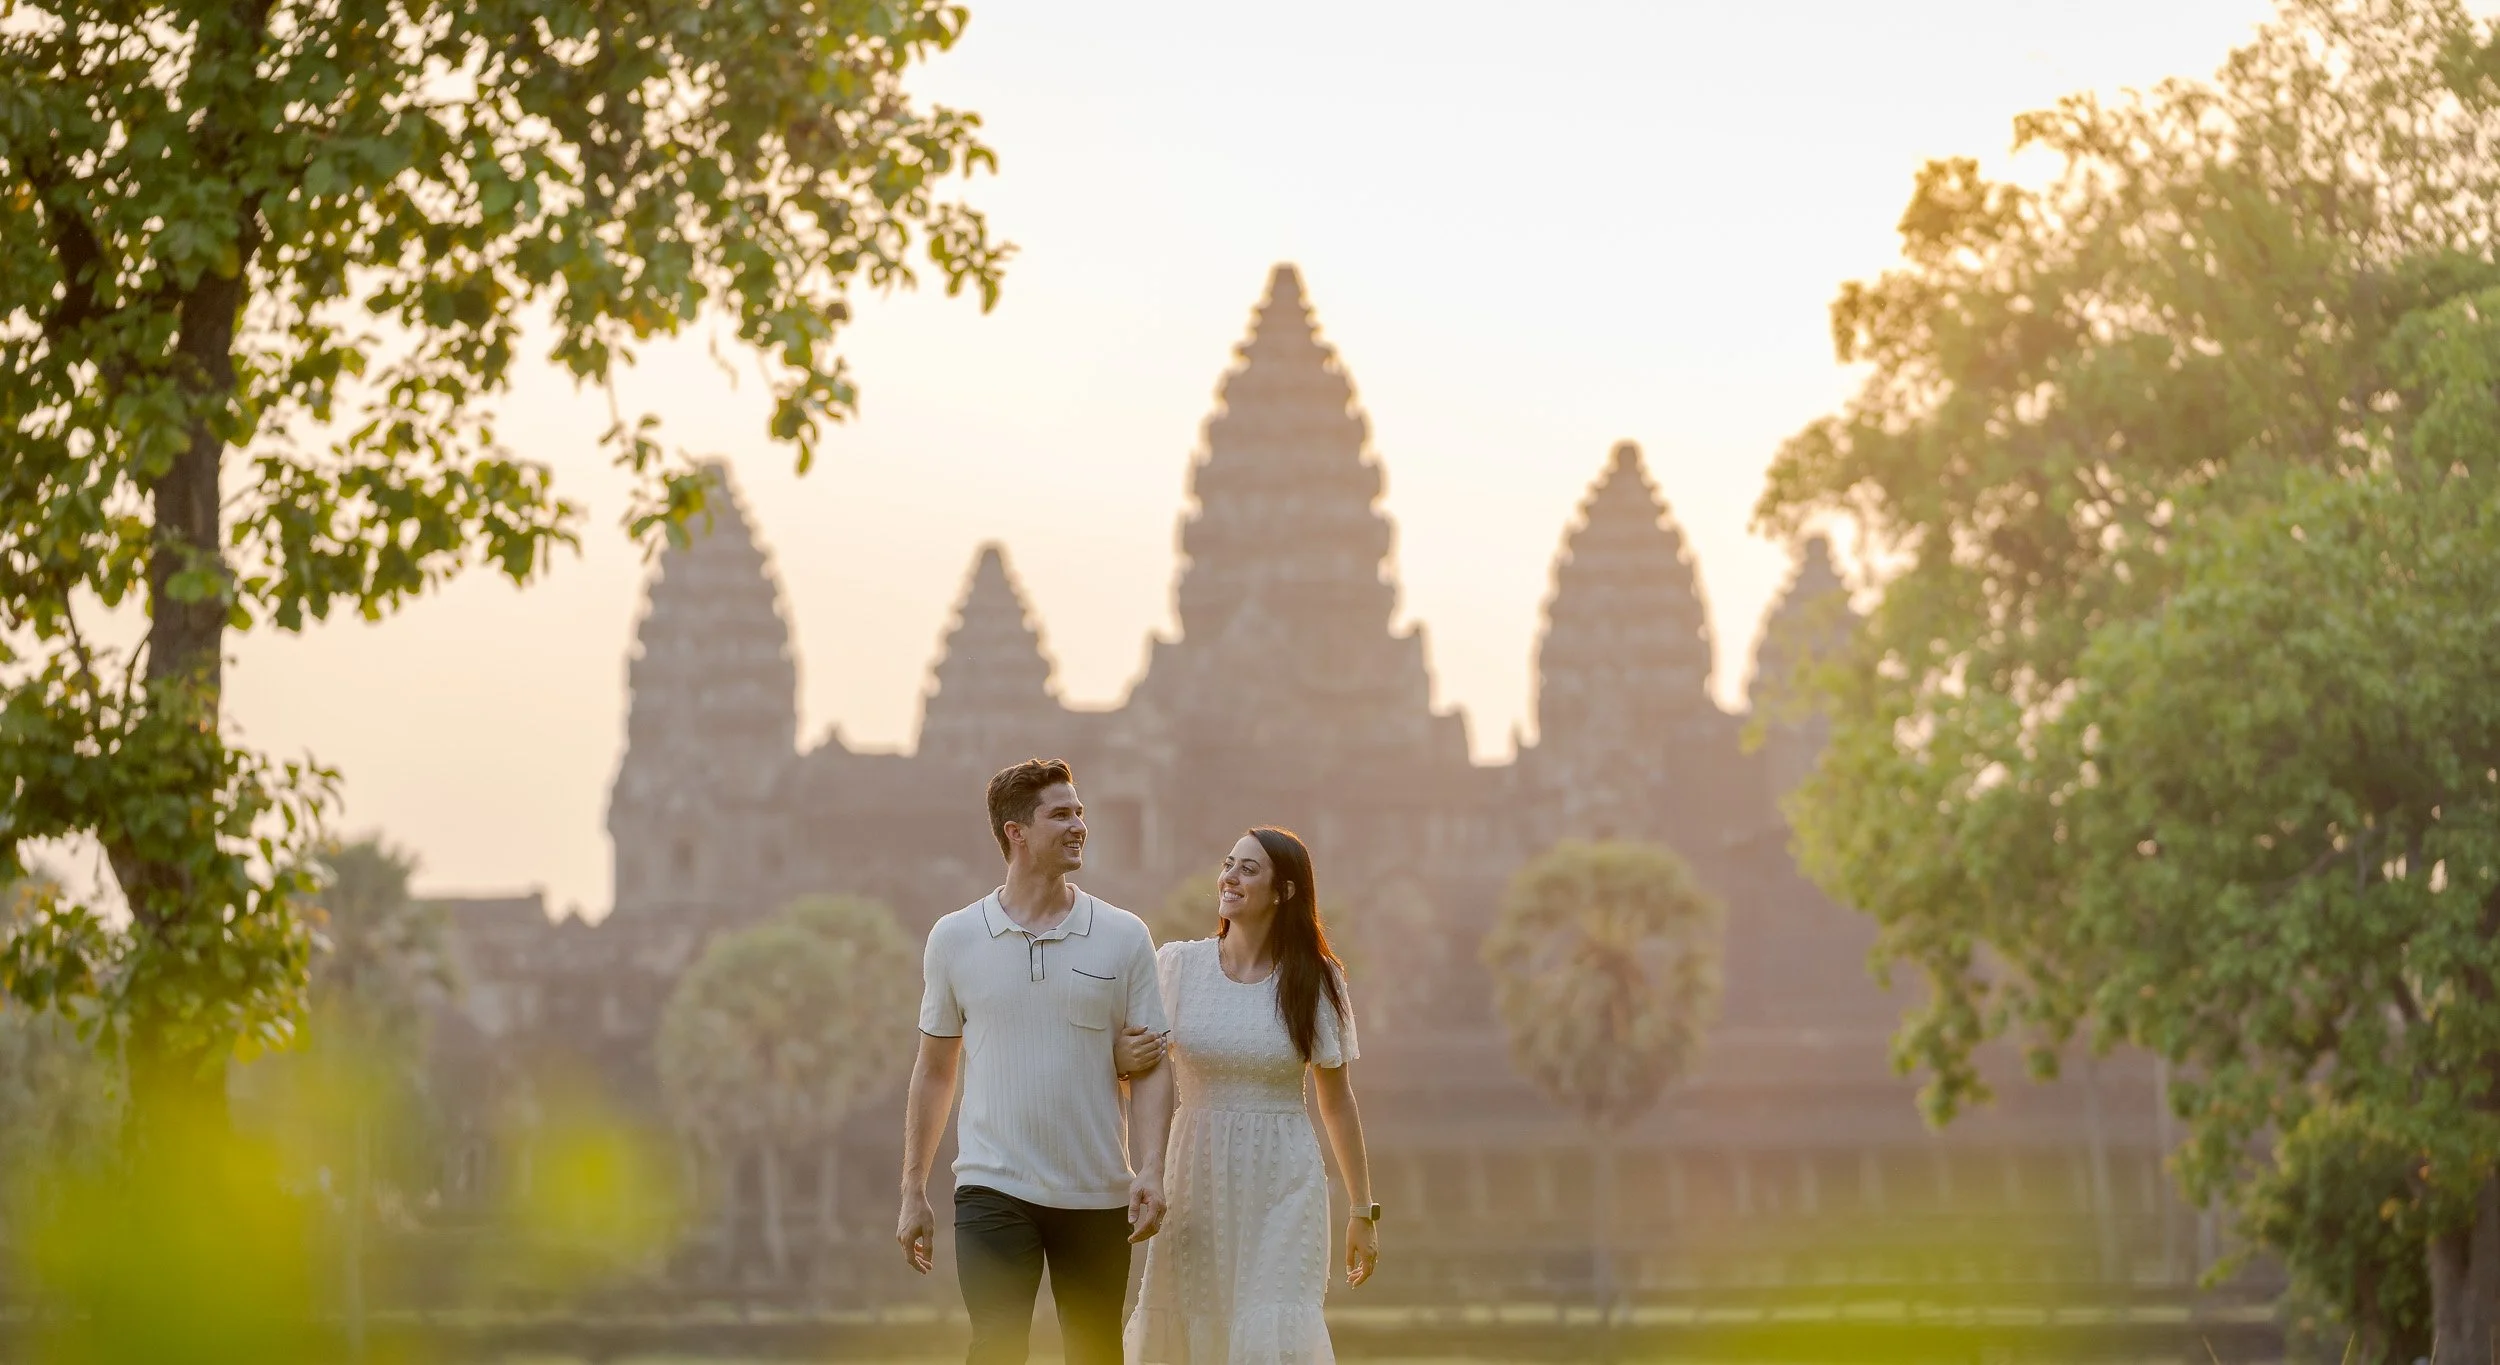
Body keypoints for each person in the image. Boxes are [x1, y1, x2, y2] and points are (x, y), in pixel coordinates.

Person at [896, 758, 1177, 1365]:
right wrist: (913, 1189)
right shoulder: (955, 937)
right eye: (1060, 815)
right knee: (996, 1347)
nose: (1078, 825)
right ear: (1015, 832)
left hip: (1098, 1189)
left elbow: (1153, 1064)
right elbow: (936, 1069)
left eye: (1079, 812)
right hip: (992, 1185)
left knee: (1095, 1352)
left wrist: (1151, 1169)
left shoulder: (1125, 935)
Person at [1118, 826, 1379, 1364]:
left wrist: (1361, 1210)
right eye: (1228, 863)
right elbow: (1141, 1075)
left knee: (1272, 1322)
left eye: (1248, 869)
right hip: (1193, 1174)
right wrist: (1142, 1164)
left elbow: (1337, 1101)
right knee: (1193, 1321)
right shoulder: (1177, 967)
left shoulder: (1318, 980)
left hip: (1283, 1180)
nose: (1229, 877)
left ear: (1283, 892)